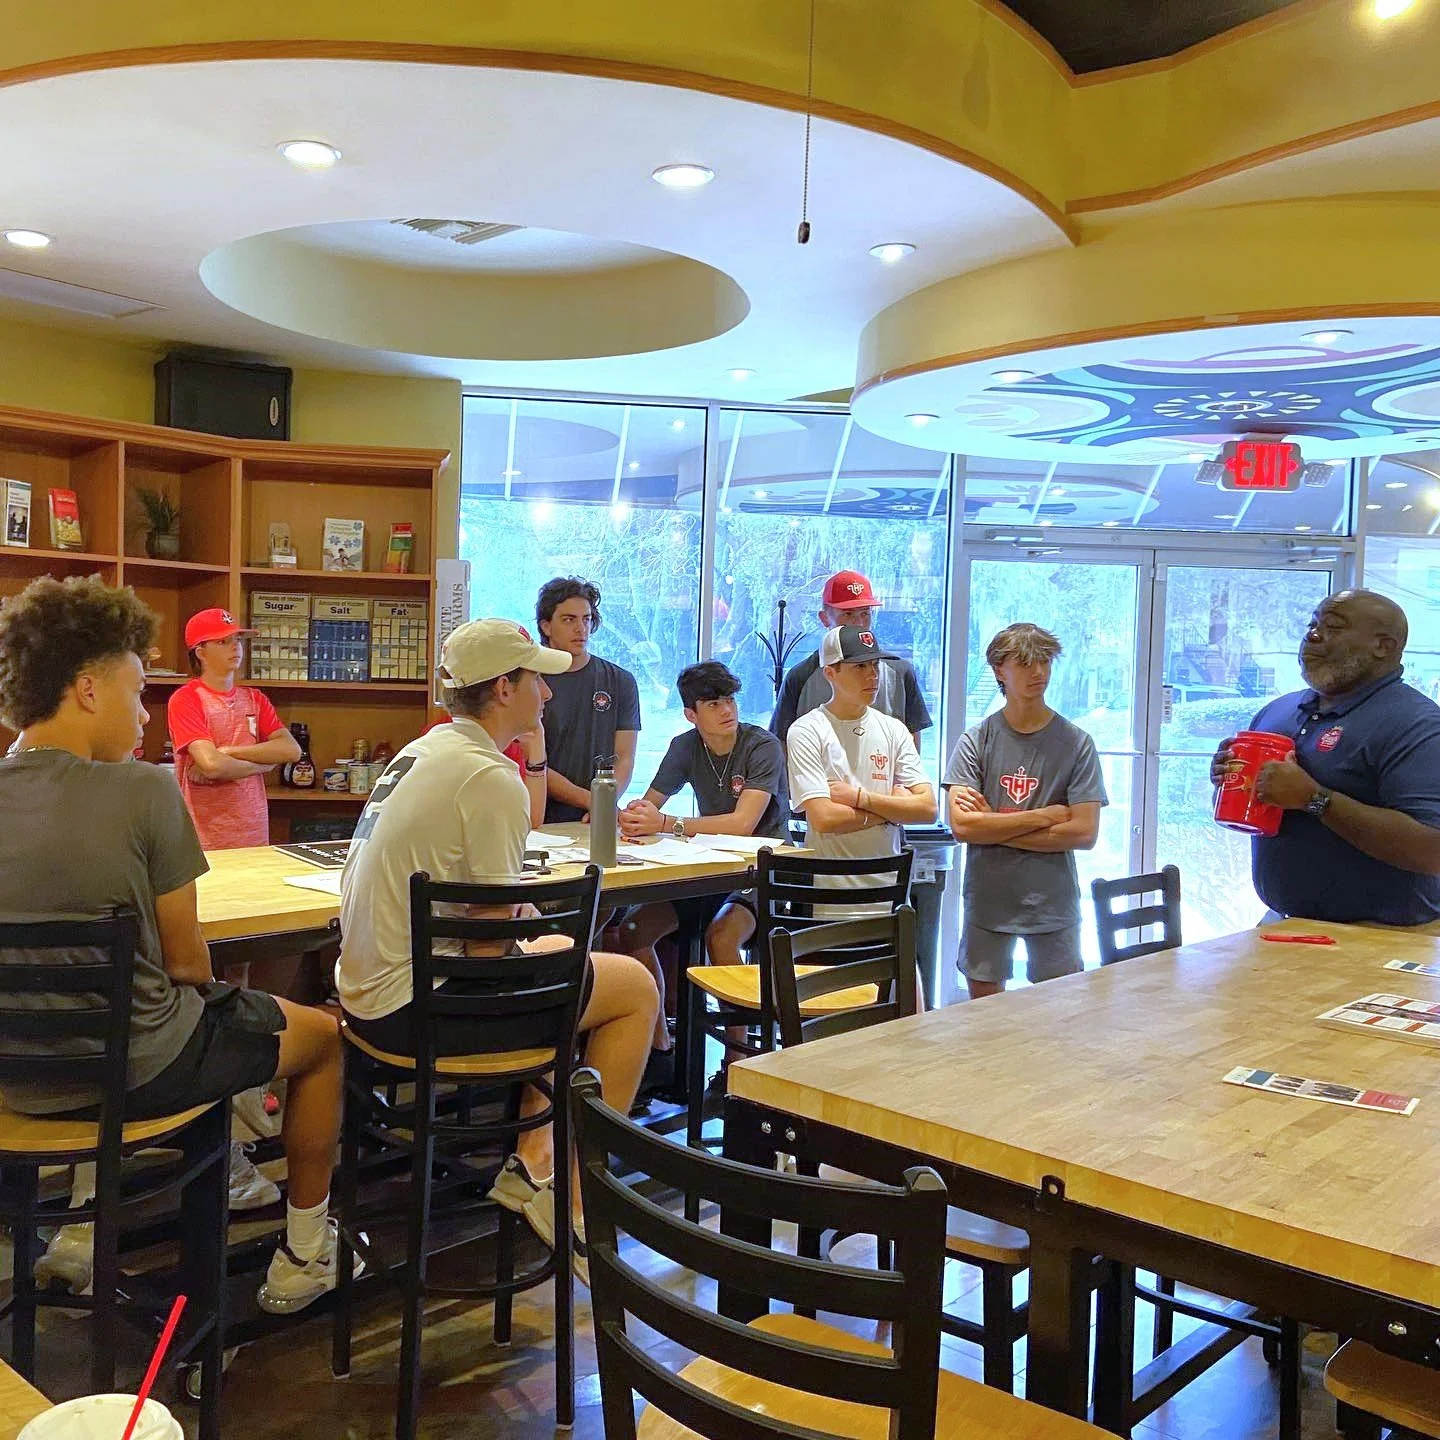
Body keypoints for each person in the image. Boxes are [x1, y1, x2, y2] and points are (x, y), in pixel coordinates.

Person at [0, 576, 346, 1313]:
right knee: (321, 1037)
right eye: (135, 690)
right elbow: (189, 965)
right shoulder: (144, 791)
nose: (146, 710)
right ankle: (307, 1251)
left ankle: (95, 1224)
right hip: (134, 1073)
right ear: (88, 689)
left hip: (9, 1079)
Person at [335, 618, 659, 1282]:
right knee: (633, 990)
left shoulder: (424, 753)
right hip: (420, 1010)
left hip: (365, 997)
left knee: (566, 961)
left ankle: (533, 1158)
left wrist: (533, 934)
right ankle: (566, 1186)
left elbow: (488, 916)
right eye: (536, 679)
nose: (547, 694)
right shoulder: (488, 776)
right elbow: (487, 948)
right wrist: (534, 938)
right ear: (504, 687)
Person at [1210, 590, 1440, 926]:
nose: (1314, 635)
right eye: (1313, 624)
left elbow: (1432, 850)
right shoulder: (1277, 712)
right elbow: (1255, 807)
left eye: (1333, 627)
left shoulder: (1417, 725)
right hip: (1283, 922)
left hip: (1382, 937)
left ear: (1383, 647)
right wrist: (1230, 779)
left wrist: (1314, 799)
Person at [617, 662, 788, 1083]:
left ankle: (737, 1063)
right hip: (707, 871)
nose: (726, 710)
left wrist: (666, 824)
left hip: (759, 874)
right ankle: (660, 1049)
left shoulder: (762, 745)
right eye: (713, 703)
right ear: (692, 714)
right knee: (633, 929)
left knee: (721, 936)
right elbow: (651, 802)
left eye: (729, 699)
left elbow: (743, 823)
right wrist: (632, 816)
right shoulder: (684, 746)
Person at [945, 623, 1107, 999]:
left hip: (1053, 903)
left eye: (1045, 661)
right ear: (1000, 670)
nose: (1039, 672)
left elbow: (1084, 834)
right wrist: (1047, 815)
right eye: (1025, 662)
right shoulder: (976, 739)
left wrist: (995, 824)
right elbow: (963, 828)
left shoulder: (1077, 743)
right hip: (988, 901)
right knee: (985, 1020)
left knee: (1057, 1018)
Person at [786, 626, 937, 907]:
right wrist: (891, 811)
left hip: (888, 894)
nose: (873, 675)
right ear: (830, 672)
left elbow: (928, 809)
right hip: (828, 898)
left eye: (875, 664)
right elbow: (824, 819)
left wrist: (860, 799)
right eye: (859, 667)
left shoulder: (894, 730)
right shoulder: (806, 730)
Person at [167, 608, 300, 849]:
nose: (235, 647)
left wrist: (228, 751)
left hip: (254, 833)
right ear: (201, 652)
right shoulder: (187, 699)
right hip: (204, 838)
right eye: (223, 641)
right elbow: (212, 765)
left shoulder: (255, 699)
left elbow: (291, 751)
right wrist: (265, 764)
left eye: (237, 640)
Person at [770, 571, 932, 751]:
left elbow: (913, 741)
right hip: (819, 777)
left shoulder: (900, 672)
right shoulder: (800, 676)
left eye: (865, 613)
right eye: (847, 614)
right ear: (824, 618)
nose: (859, 623)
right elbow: (782, 744)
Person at [535, 577, 641, 824]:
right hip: (539, 813)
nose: (580, 628)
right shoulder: (529, 681)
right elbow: (530, 759)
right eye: (569, 620)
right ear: (546, 626)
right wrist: (591, 800)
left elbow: (624, 756)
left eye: (586, 619)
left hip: (596, 816)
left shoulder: (620, 681)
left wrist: (604, 801)